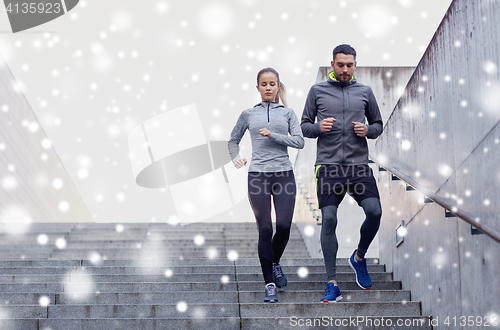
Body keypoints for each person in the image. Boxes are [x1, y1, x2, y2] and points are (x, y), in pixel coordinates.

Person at [300, 44, 383, 303]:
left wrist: (368, 131)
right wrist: (318, 127)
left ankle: (358, 257)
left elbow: (379, 125)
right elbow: (304, 126)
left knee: (375, 211)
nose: (345, 69)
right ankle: (332, 282)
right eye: (340, 65)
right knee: (330, 218)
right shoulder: (317, 91)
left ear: (355, 65)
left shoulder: (365, 92)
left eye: (349, 64)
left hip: (359, 165)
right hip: (328, 165)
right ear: (332, 65)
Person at [228, 67, 304, 303]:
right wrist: (235, 158)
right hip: (258, 176)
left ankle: (275, 263)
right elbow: (232, 140)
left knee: (283, 227)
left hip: (284, 175)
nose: (268, 88)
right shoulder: (248, 114)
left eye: (272, 84)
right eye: (264, 84)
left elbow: (300, 141)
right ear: (258, 87)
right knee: (265, 229)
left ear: (278, 86)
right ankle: (269, 283)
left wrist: (274, 136)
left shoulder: (288, 113)